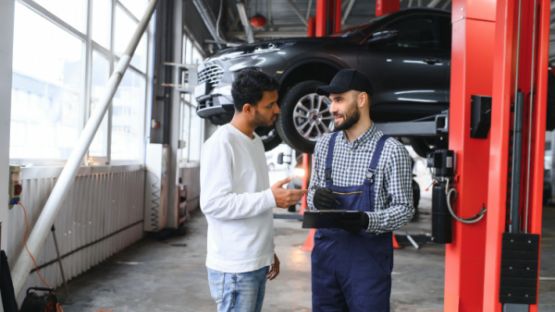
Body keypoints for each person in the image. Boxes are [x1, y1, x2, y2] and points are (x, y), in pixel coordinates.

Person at [200, 68, 306, 312]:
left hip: (254, 260)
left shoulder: (255, 142)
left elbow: (252, 198)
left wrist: (267, 251)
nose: (278, 110)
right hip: (235, 267)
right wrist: (270, 197)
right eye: (270, 105)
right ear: (248, 109)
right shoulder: (221, 144)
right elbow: (214, 203)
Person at [307, 69, 414, 312]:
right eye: (331, 101)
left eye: (339, 100)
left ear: (362, 100)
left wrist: (368, 219)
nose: (332, 108)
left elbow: (405, 209)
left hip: (367, 262)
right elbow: (312, 194)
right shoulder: (325, 145)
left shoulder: (391, 151)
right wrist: (315, 197)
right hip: (326, 257)